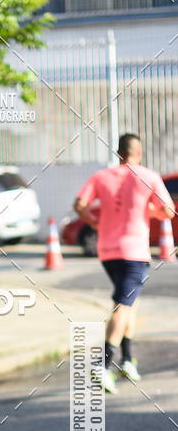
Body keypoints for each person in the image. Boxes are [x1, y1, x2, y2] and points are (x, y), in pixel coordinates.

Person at [73, 133, 174, 393]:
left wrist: (94, 222)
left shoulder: (101, 177)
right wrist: (148, 211)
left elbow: (79, 204)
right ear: (138, 153)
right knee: (123, 304)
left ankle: (127, 360)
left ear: (119, 153)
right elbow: (169, 210)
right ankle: (103, 365)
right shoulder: (148, 176)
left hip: (107, 251)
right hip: (134, 252)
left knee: (130, 303)